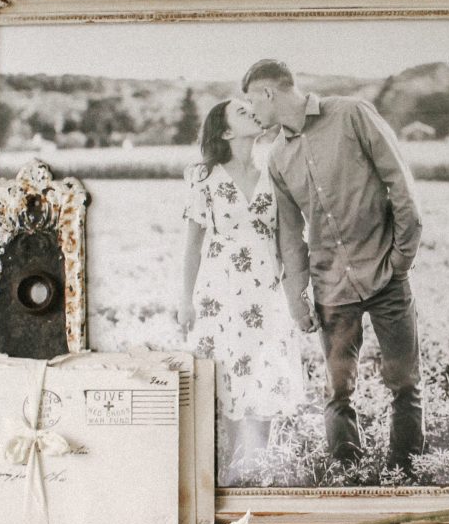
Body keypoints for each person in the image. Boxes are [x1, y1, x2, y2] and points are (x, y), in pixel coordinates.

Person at [241, 58, 425, 477]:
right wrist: (297, 299)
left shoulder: (352, 114)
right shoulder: (276, 158)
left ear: (269, 92)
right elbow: (290, 236)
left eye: (253, 100)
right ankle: (347, 476)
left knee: (405, 384)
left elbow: (401, 185)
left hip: (385, 274)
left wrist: (400, 259)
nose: (252, 111)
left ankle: (408, 474)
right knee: (337, 390)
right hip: (330, 289)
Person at [179, 98, 304, 484]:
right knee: (229, 377)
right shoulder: (205, 178)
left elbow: (289, 241)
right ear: (227, 131)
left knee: (264, 373)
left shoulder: (275, 171)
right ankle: (232, 472)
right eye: (241, 111)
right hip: (221, 295)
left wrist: (296, 295)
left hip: (265, 295)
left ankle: (259, 467)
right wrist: (185, 301)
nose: (252, 111)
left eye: (252, 108)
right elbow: (192, 247)